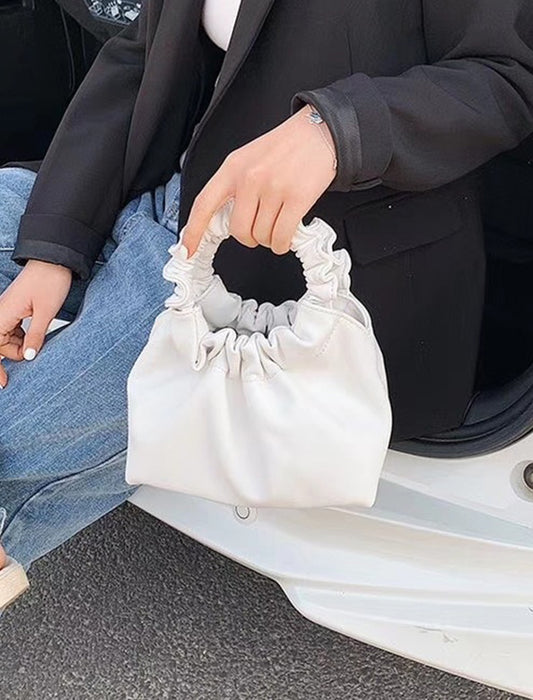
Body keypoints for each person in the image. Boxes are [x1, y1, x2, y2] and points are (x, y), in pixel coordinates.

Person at [1, 0, 533, 612]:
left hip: (290, 273)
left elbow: (510, 74)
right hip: (161, 196)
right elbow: (142, 54)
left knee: (12, 444)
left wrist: (337, 130)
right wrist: (54, 248)